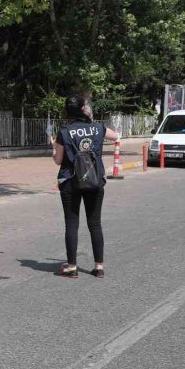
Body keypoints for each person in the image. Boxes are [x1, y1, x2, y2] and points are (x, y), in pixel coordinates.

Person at [51, 94, 119, 278]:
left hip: (70, 182)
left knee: (72, 224)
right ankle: (99, 267)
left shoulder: (64, 131)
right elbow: (115, 136)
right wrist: (91, 119)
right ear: (83, 109)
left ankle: (72, 268)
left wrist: (53, 148)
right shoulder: (97, 127)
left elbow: (58, 160)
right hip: (95, 181)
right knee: (95, 224)